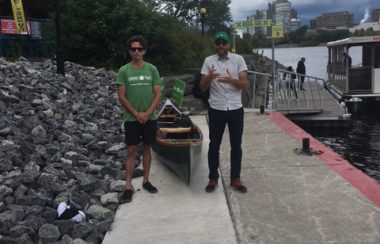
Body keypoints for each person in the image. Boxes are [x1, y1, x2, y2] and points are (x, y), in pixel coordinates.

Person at [200, 31, 248, 193]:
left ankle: (235, 178)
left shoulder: (238, 59)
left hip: (235, 108)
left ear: (228, 45)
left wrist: (231, 81)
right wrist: (209, 78)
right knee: (214, 145)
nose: (221, 45)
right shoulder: (208, 61)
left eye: (224, 43)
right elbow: (202, 87)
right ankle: (213, 178)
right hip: (217, 109)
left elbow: (244, 84)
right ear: (215, 45)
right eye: (218, 43)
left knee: (236, 145)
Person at [115, 35, 161, 203]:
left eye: (139, 49)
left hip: (150, 117)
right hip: (132, 118)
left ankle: (146, 180)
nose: (136, 51)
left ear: (144, 51)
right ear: (129, 51)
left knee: (147, 149)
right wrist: (136, 114)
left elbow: (157, 93)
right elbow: (121, 96)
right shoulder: (124, 71)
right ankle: (128, 186)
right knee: (131, 151)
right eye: (133, 49)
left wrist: (148, 113)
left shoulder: (152, 69)